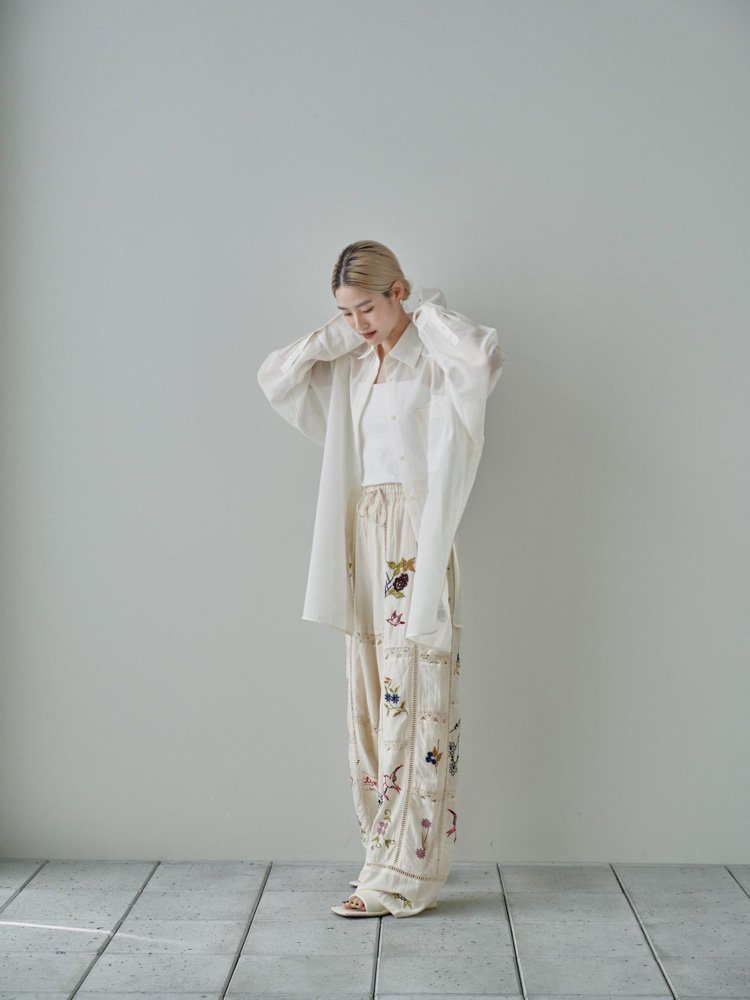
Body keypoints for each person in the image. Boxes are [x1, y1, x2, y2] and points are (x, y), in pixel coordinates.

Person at [257, 240, 506, 917]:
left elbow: (482, 360)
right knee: (371, 694)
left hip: (417, 538)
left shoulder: (434, 358)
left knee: (416, 691)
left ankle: (407, 870)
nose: (358, 324)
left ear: (398, 291)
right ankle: (379, 852)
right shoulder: (353, 368)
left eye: (366, 307)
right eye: (346, 312)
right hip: (364, 535)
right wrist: (339, 334)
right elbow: (276, 378)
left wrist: (423, 313)